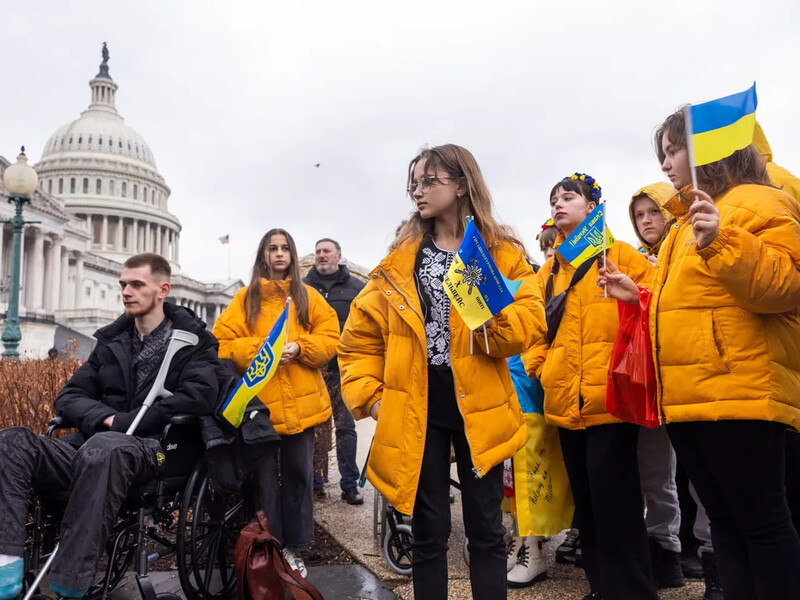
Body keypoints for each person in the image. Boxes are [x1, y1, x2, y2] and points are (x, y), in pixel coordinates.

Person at [599, 107, 800, 599]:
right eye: (662, 154)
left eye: (673, 150)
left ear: (710, 149)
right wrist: (640, 298)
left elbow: (785, 285)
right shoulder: (684, 222)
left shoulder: (761, 201)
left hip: (741, 391)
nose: (666, 164)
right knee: (727, 525)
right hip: (691, 398)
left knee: (762, 522)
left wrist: (721, 239)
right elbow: (692, 308)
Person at [338, 144, 546, 600]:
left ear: (461, 184)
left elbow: (529, 325)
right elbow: (357, 340)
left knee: (487, 532)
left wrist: (490, 312)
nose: (418, 191)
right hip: (418, 405)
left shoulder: (501, 252)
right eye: (413, 182)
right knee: (429, 532)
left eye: (429, 180)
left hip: (482, 403)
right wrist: (374, 398)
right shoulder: (400, 260)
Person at [0, 253, 220, 600]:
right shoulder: (112, 341)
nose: (126, 292)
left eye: (136, 284)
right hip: (90, 445)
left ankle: (69, 584)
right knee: (11, 442)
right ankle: (6, 563)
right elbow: (70, 396)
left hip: (153, 452)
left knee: (104, 450)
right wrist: (108, 419)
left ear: (163, 289)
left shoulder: (194, 344)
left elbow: (198, 398)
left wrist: (129, 424)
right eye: (123, 285)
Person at [523, 173, 658, 600]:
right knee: (588, 506)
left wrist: (634, 292)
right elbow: (533, 332)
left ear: (593, 206)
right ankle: (602, 587)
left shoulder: (619, 255)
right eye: (553, 199)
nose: (558, 204)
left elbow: (655, 302)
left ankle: (633, 591)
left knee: (617, 504)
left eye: (569, 197)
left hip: (610, 399)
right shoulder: (548, 271)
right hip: (565, 401)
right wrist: (542, 368)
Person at [212, 228, 339, 578]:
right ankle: (270, 548)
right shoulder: (244, 299)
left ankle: (297, 547)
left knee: (299, 475)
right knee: (263, 480)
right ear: (263, 255)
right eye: (272, 248)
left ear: (292, 256)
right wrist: (261, 351)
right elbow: (221, 343)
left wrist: (299, 348)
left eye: (285, 248)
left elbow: (331, 339)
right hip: (259, 409)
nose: (279, 254)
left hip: (302, 403)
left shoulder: (308, 296)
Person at [304, 238, 366, 505]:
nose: (321, 255)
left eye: (326, 251)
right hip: (312, 368)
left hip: (343, 368)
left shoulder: (357, 288)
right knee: (317, 429)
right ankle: (316, 482)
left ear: (339, 256)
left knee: (345, 428)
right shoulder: (303, 289)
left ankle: (349, 484)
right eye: (318, 251)